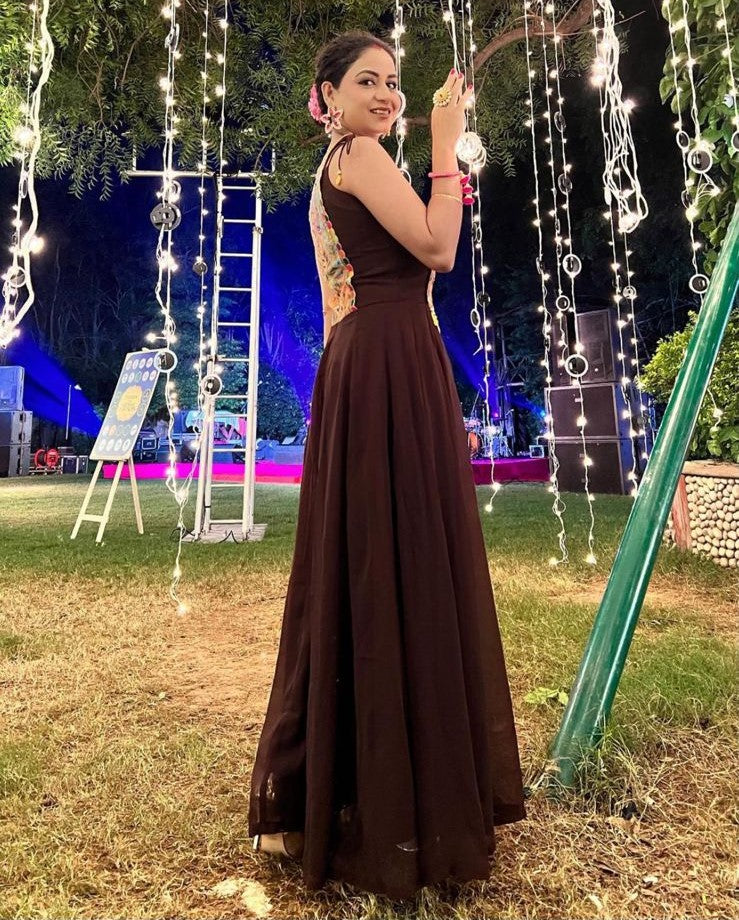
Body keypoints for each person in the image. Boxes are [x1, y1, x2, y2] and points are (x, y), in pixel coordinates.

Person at [248, 30, 527, 900]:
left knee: (371, 561)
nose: (384, 95)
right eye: (365, 81)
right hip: (386, 365)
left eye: (393, 82)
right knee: (397, 559)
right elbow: (439, 249)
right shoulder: (361, 154)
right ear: (327, 96)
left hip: (375, 360)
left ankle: (346, 790)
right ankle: (399, 800)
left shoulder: (340, 166)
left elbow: (399, 272)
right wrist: (446, 147)